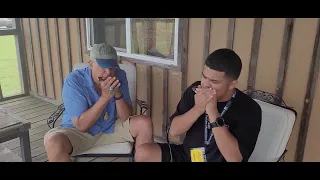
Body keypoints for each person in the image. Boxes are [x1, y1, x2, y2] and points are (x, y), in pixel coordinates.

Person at [135, 48, 262, 162]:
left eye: (214, 81)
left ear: (232, 84)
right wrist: (198, 109)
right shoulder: (195, 90)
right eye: (204, 77)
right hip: (187, 155)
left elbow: (234, 158)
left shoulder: (249, 109)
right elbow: (174, 131)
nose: (206, 84)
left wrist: (212, 112)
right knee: (143, 153)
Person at [44, 43, 153, 162]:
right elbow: (81, 125)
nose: (108, 72)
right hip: (77, 132)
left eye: (111, 67)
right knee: (54, 143)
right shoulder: (74, 80)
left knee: (144, 123)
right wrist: (105, 97)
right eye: (103, 67)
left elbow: (126, 117)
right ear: (91, 64)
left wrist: (117, 94)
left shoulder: (119, 75)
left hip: (110, 127)